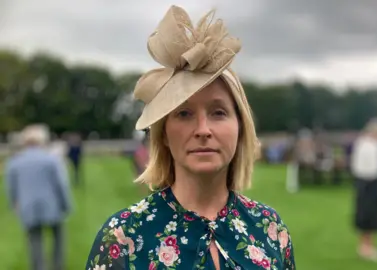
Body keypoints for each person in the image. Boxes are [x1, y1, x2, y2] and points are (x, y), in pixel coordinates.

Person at [85, 5, 295, 270]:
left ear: (240, 127)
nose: (203, 129)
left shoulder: (270, 228)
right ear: (162, 134)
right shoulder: (121, 237)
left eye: (218, 112)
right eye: (184, 113)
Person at [4, 124, 72, 270]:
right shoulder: (51, 160)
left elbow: (11, 188)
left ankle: (39, 267)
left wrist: (13, 204)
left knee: (34, 241)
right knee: (58, 238)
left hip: (27, 207)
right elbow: (61, 184)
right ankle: (57, 266)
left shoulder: (15, 162)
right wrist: (66, 205)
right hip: (52, 206)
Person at [351, 118, 377, 262]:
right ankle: (366, 247)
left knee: (367, 214)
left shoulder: (361, 142)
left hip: (363, 181)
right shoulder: (371, 145)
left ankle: (366, 245)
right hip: (369, 181)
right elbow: (375, 167)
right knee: (368, 215)